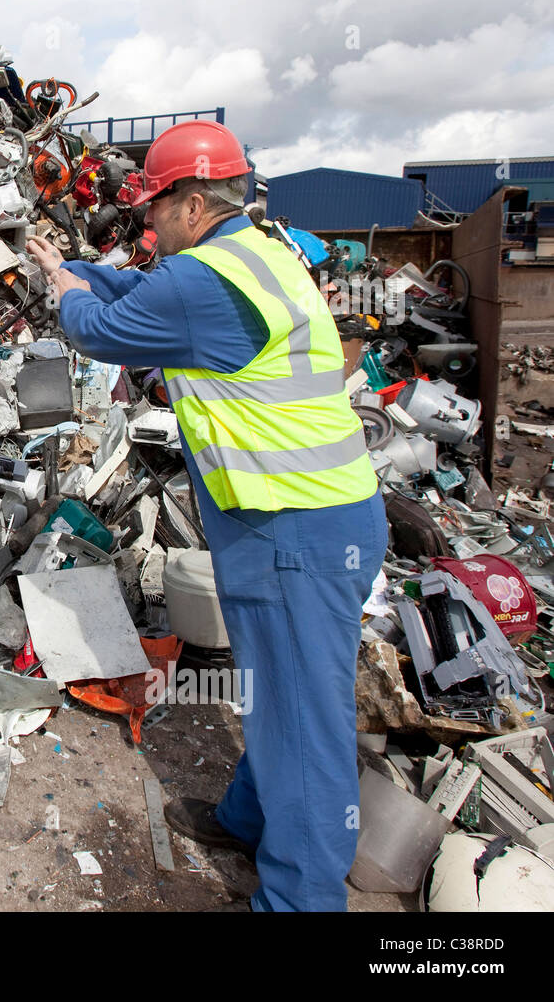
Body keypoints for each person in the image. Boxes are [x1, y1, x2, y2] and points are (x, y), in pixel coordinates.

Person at [26, 120, 387, 912]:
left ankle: (300, 899)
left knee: (303, 725)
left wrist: (69, 292)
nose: (146, 225)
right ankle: (248, 819)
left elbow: (100, 329)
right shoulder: (253, 254)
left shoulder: (198, 283)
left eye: (154, 209)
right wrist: (79, 267)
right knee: (278, 690)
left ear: (192, 204)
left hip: (294, 530)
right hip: (316, 521)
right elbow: (144, 294)